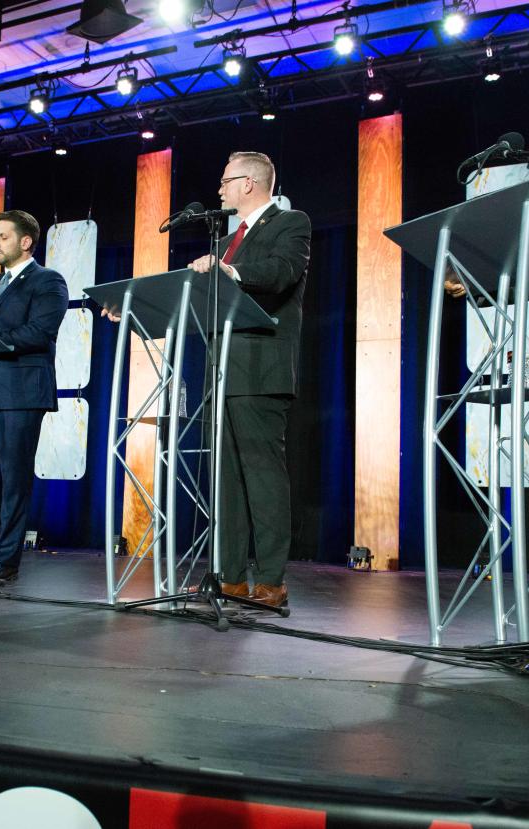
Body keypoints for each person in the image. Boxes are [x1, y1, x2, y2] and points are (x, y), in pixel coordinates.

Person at [187, 151, 312, 609]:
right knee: (228, 480)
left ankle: (272, 581)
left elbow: (282, 273)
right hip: (223, 373)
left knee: (262, 478)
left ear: (248, 184)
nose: (218, 189)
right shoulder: (224, 240)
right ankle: (233, 577)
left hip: (262, 370)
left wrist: (231, 271)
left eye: (225, 181)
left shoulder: (290, 222)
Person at [0, 210, 69, 581]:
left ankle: (3, 560)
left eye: (3, 236)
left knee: (11, 480)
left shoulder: (48, 281)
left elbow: (41, 330)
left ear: (25, 242)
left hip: (21, 392)